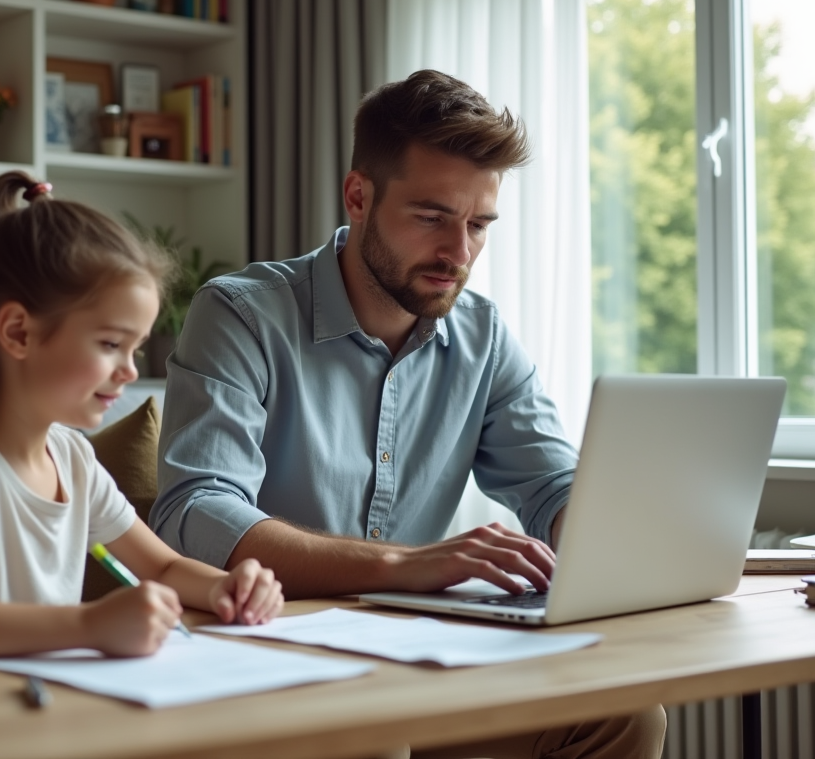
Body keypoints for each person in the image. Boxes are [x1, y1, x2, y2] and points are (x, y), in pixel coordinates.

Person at [152, 71, 665, 757]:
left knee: (626, 715)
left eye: (478, 225)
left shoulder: (483, 336)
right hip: (271, 652)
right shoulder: (242, 314)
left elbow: (552, 484)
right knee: (382, 736)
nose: (459, 253)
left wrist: (607, 542)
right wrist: (402, 564)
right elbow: (197, 512)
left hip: (415, 653)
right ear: (358, 196)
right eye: (431, 218)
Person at [0, 171, 284, 659]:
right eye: (109, 344)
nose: (130, 371)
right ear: (18, 333)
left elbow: (164, 567)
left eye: (135, 349)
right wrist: (90, 623)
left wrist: (226, 587)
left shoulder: (71, 458)